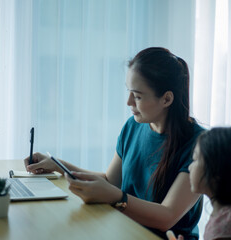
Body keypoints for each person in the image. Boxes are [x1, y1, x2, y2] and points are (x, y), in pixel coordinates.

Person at [24, 47, 205, 239]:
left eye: (137, 96)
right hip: (125, 230)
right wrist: (58, 165)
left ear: (167, 99)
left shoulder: (199, 144)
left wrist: (117, 197)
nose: (128, 102)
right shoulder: (133, 126)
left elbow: (166, 217)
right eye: (129, 92)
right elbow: (110, 181)